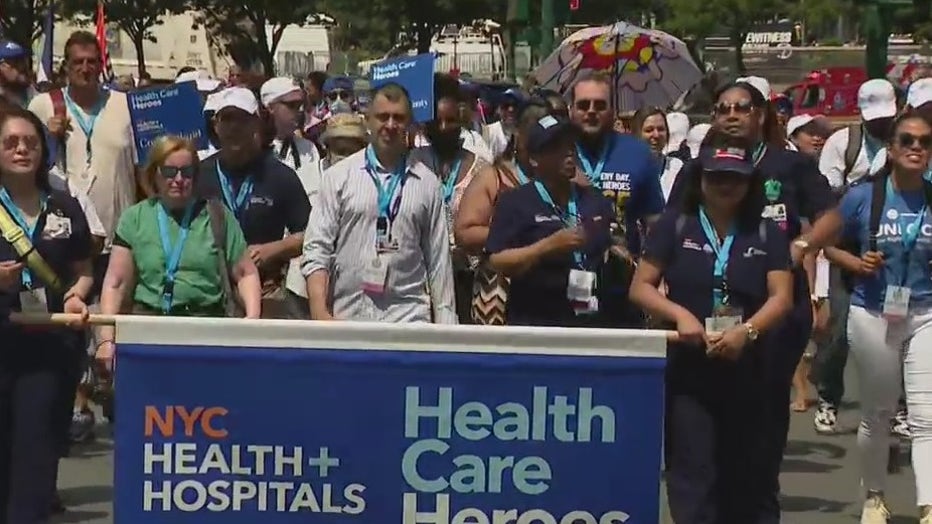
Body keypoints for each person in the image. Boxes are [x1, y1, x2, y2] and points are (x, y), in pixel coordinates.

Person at [667, 78, 842, 520]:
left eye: (740, 108)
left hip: (777, 309)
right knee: (702, 428)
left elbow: (831, 217)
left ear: (760, 114)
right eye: (722, 108)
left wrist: (801, 247)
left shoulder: (790, 164)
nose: (730, 115)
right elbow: (672, 224)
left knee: (761, 431)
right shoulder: (697, 167)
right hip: (707, 314)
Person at [631, 141, 793, 523]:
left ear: (749, 184)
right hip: (690, 369)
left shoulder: (766, 232)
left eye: (735, 179)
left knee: (750, 479)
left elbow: (782, 297)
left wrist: (748, 332)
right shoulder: (675, 224)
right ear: (700, 180)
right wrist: (680, 316)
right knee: (692, 475)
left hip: (751, 368)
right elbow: (641, 287)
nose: (725, 186)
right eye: (716, 177)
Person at [829, 112, 932, 523]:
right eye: (907, 140)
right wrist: (857, 262)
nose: (916, 148)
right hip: (872, 312)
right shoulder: (863, 196)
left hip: (925, 312)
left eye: (925, 142)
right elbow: (828, 245)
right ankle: (874, 496)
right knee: (879, 412)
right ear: (890, 149)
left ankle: (928, 504)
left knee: (926, 415)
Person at [0, 106, 94, 522]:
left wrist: (78, 294)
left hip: (49, 347)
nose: (22, 149)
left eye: (31, 142)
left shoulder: (64, 205)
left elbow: (84, 270)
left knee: (36, 450)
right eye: (11, 142)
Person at [302, 83, 456, 323]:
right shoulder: (339, 177)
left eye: (399, 118)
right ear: (368, 121)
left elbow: (439, 263)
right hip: (348, 319)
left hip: (409, 320)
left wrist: (447, 328)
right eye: (383, 117)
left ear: (410, 124)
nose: (391, 125)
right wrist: (319, 312)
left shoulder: (428, 184)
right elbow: (317, 248)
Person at [95, 135, 261, 355]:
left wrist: (252, 322)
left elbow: (245, 273)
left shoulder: (217, 215)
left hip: (206, 331)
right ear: (155, 173)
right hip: (149, 331)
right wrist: (107, 340)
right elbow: (116, 283)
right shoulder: (134, 218)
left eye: (187, 172)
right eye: (169, 172)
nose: (179, 179)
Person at [814, 79, 899, 436]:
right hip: (849, 249)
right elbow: (828, 198)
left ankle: (898, 407)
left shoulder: (907, 140)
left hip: (895, 251)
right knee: (840, 330)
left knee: (898, 329)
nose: (880, 124)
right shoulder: (842, 144)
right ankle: (829, 397)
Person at [485, 114, 613, 326]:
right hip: (535, 322)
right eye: (557, 147)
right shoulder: (515, 202)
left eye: (571, 144)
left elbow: (609, 247)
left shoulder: (594, 200)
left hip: (588, 322)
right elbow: (497, 261)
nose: (569, 152)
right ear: (534, 158)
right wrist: (547, 246)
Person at [196, 87, 311, 319]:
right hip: (208, 292)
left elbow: (310, 235)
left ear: (257, 124)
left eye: (243, 120)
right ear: (216, 126)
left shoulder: (280, 176)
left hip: (266, 292)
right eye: (227, 120)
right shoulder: (199, 174)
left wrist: (273, 250)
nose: (234, 128)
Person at [569, 72, 665, 328]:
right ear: (570, 110)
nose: (591, 111)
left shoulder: (637, 153)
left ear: (614, 111)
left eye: (600, 105)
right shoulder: (556, 150)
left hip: (622, 282)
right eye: (583, 105)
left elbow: (656, 224)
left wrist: (659, 280)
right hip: (562, 279)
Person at [455, 100, 553, 325]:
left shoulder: (565, 178)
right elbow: (464, 233)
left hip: (551, 291)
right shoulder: (493, 178)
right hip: (499, 290)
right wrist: (521, 235)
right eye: (533, 137)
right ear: (518, 134)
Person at [412, 73, 486, 322]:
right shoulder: (414, 162)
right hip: (420, 282)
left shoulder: (481, 168)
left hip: (466, 280)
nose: (443, 128)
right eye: (437, 121)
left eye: (450, 121)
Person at [260, 77, 323, 319]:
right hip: (266, 271)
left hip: (302, 268)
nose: (299, 111)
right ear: (269, 108)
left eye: (301, 105)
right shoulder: (254, 151)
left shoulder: (309, 150)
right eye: (290, 105)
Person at [630, 106, 684, 201]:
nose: (656, 135)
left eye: (661, 129)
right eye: (649, 130)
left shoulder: (677, 167)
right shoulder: (623, 169)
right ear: (636, 133)